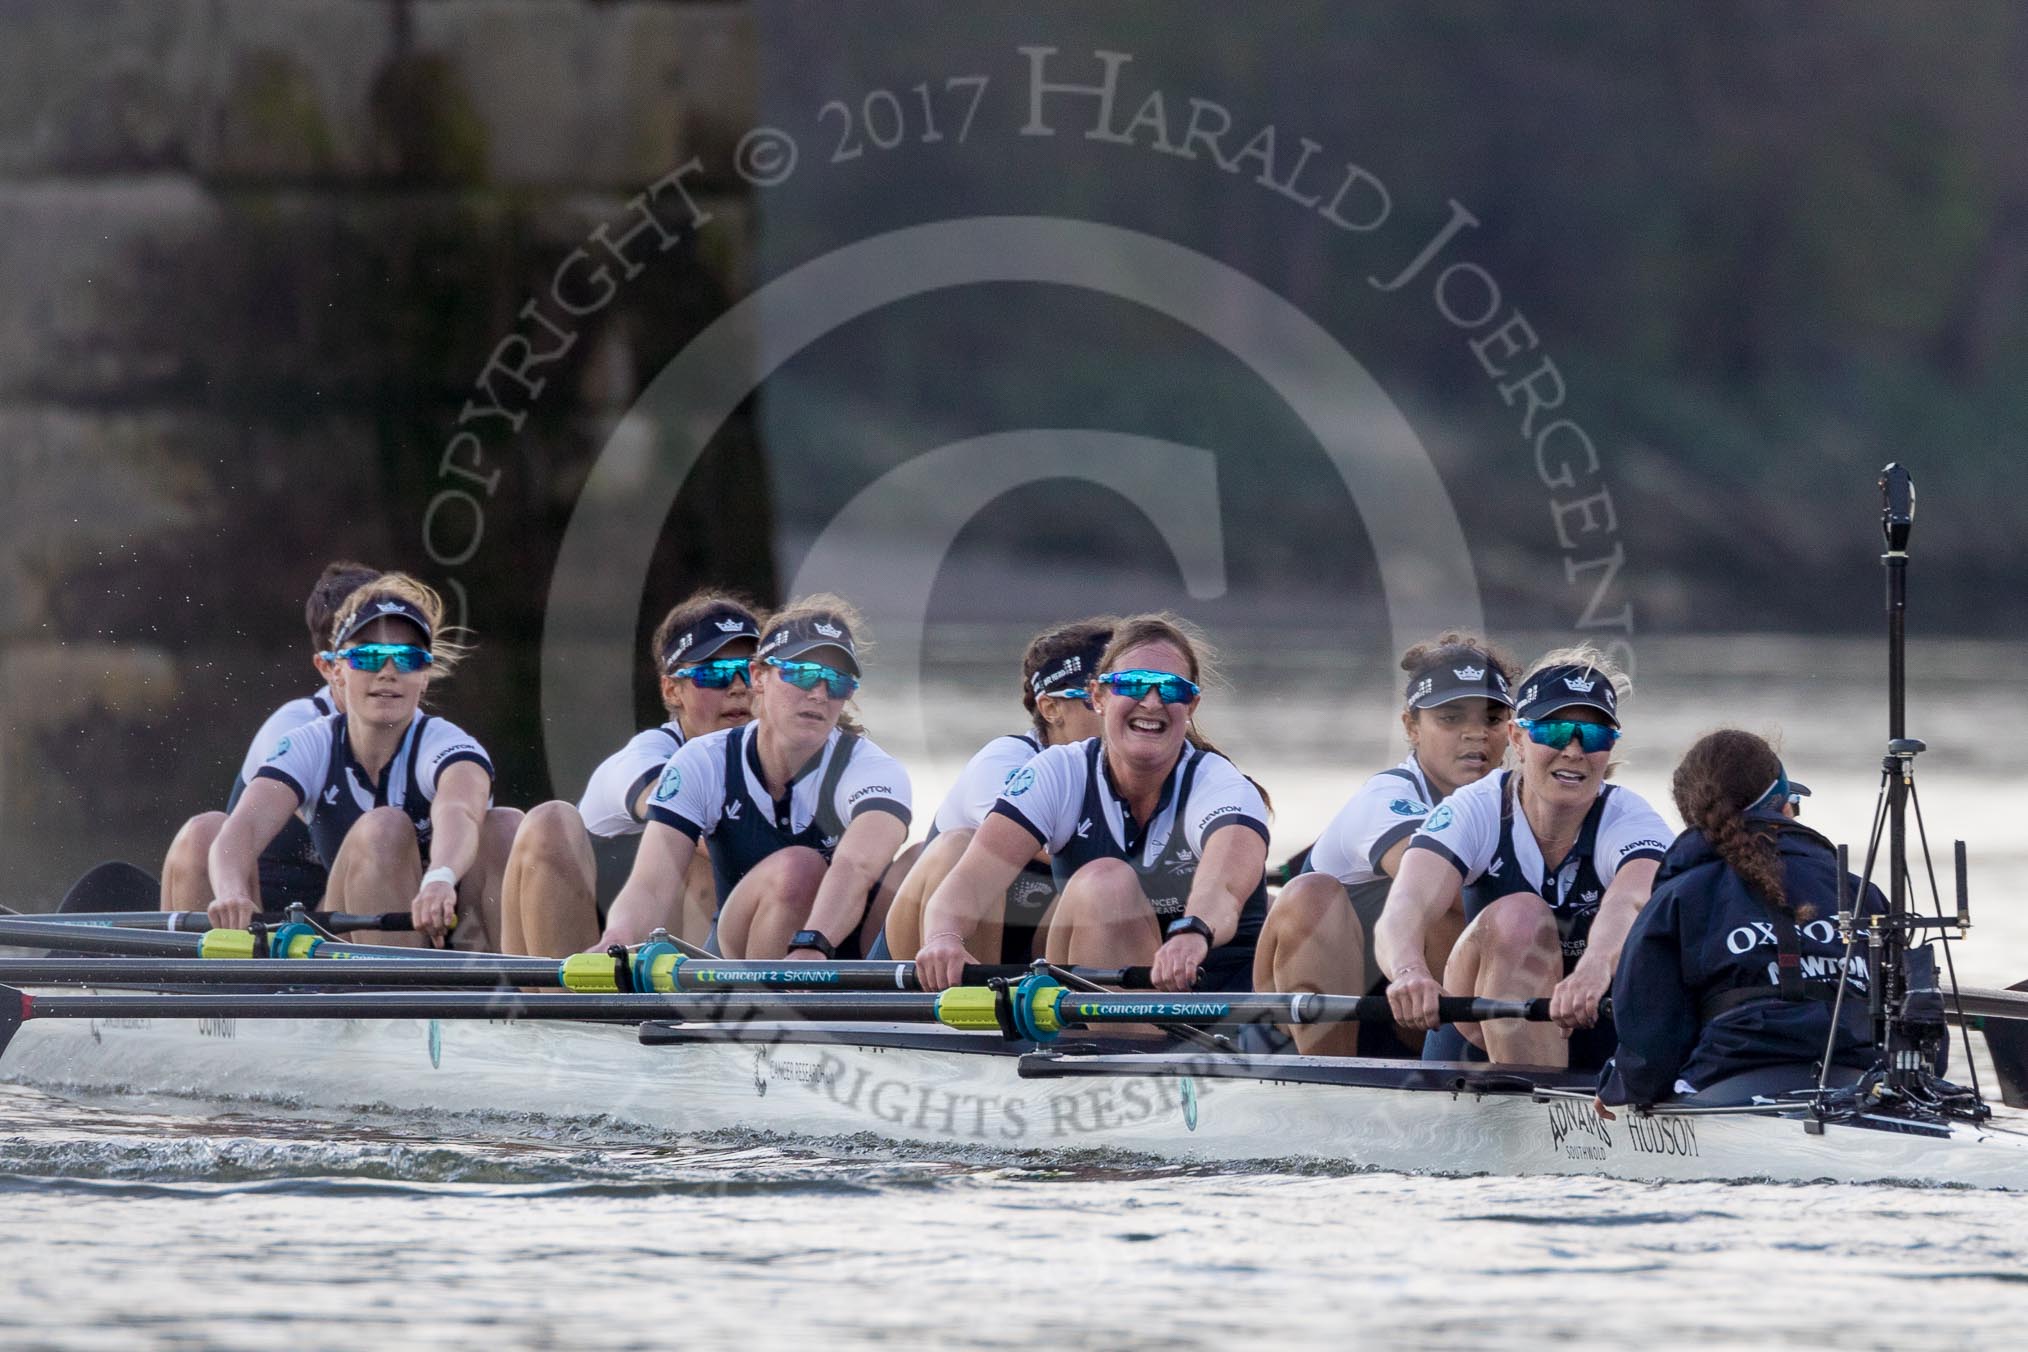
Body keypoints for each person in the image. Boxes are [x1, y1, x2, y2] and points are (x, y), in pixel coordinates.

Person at [914, 614, 1270, 995]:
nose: (1152, 702)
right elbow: (969, 881)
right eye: (1132, 684)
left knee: (1106, 884)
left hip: (1218, 1006)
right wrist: (943, 938)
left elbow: (1222, 889)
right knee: (1105, 884)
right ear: (1099, 697)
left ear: (1191, 704)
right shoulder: (1059, 773)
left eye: (1171, 689)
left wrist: (1194, 930)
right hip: (1102, 1000)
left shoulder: (1220, 785)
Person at [1376, 646, 1672, 1068]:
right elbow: (1406, 904)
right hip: (1477, 1040)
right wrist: (1408, 972)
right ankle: (1530, 1089)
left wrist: (1593, 967)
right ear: (1517, 737)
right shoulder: (1475, 808)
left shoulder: (1630, 819)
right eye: (1554, 732)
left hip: (1600, 1025)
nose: (1574, 751)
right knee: (1520, 917)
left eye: (1594, 736)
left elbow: (1633, 899)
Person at [206, 575, 522, 949]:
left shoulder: (448, 744)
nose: (388, 672)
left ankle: (514, 981)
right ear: (337, 671)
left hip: (454, 926)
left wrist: (440, 876)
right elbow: (240, 830)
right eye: (368, 656)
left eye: (407, 659)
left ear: (424, 677)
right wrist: (231, 893)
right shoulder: (309, 743)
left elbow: (459, 811)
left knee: (508, 826)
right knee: (383, 828)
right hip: (349, 932)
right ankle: (401, 985)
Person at [597, 596, 913, 959]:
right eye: (800, 673)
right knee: (798, 868)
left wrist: (813, 944)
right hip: (737, 955)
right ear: (758, 676)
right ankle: (769, 992)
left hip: (832, 953)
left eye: (837, 682)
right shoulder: (704, 760)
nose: (819, 694)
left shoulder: (871, 768)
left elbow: (857, 866)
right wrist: (616, 939)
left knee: (920, 861)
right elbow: (651, 886)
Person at [1253, 633, 1518, 1056]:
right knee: (1316, 893)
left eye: (1491, 719)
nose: (1475, 734)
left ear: (1513, 730)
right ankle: (1332, 1078)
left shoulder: (1526, 801)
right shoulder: (1387, 798)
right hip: (1309, 1017)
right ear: (1411, 727)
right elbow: (1445, 888)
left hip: (1416, 1014)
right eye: (1450, 718)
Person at [1598, 730, 1881, 1107]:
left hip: (1725, 1089)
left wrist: (1621, 1085)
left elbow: (1650, 1049)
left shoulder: (1675, 899)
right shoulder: (1862, 893)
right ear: (1784, 807)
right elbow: (1920, 1032)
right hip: (1861, 1087)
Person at [498, 592, 762, 956]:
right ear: (672, 690)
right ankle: (564, 992)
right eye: (713, 674)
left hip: (679, 954)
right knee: (550, 820)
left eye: (750, 671)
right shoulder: (647, 754)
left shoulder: (798, 757)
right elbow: (678, 814)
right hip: (588, 949)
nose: (738, 687)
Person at [880, 618, 1113, 963]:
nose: (1117, 706)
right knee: (960, 846)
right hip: (932, 944)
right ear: (1051, 708)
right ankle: (964, 990)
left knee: (1107, 882)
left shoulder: (1135, 775)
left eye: (1124, 690)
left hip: (1033, 947)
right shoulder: (1005, 760)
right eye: (1095, 696)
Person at [158, 560, 380, 913]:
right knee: (204, 834)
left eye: (402, 651)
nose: (387, 670)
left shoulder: (429, 736)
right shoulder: (294, 725)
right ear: (329, 666)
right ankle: (211, 946)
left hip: (337, 913)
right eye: (369, 655)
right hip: (254, 912)